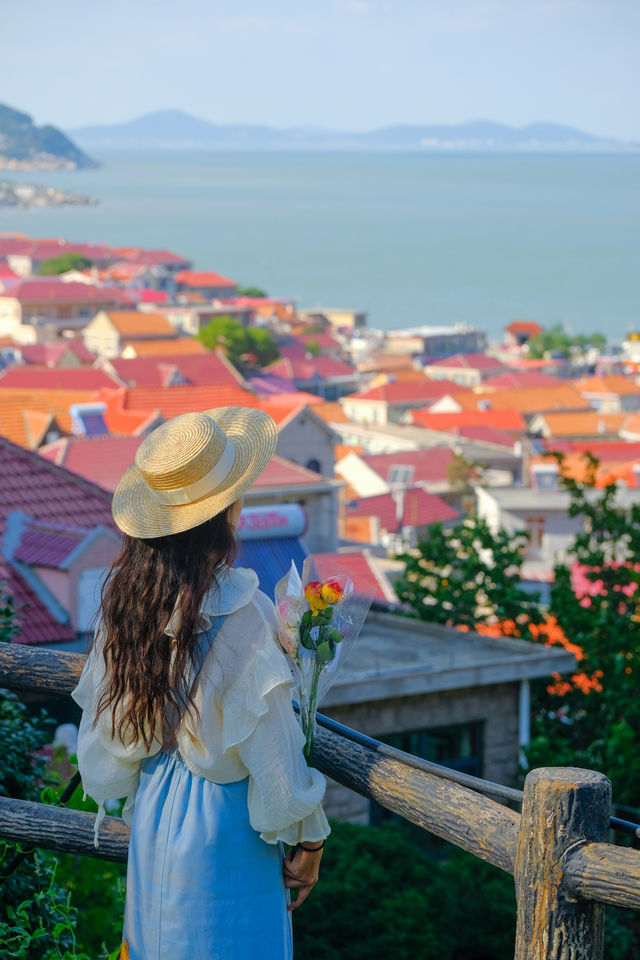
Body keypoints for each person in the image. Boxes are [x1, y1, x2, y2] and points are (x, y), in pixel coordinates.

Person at [71, 407, 330, 960]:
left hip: (154, 811)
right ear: (226, 511)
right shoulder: (244, 610)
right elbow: (275, 757)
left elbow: (109, 745)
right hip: (224, 832)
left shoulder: (128, 604)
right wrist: (310, 838)